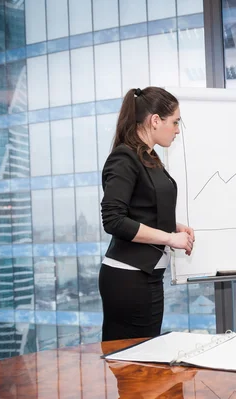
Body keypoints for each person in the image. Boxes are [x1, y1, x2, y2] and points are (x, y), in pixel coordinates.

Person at [99, 87, 195, 341]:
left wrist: (173, 227)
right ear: (155, 120)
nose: (177, 129)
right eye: (174, 122)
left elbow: (141, 209)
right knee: (134, 365)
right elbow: (114, 220)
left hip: (146, 276)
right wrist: (169, 238)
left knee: (145, 361)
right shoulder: (124, 158)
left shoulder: (147, 157)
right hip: (128, 278)